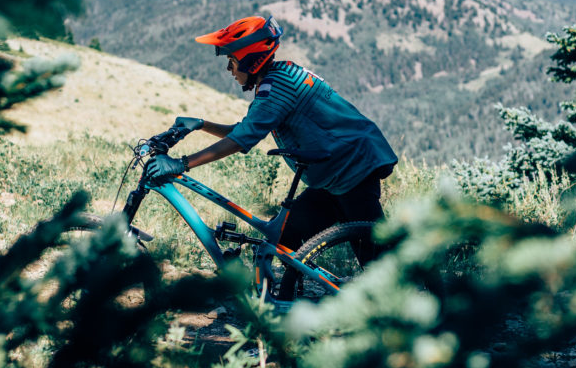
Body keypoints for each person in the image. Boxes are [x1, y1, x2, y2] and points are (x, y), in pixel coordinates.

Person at [145, 15, 398, 271]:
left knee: (379, 260)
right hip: (335, 175)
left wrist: (182, 163)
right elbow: (245, 130)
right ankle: (286, 300)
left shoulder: (276, 88)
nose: (229, 69)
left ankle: (411, 303)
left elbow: (241, 140)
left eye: (232, 61)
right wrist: (201, 124)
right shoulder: (278, 78)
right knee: (286, 238)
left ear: (250, 60)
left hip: (352, 170)